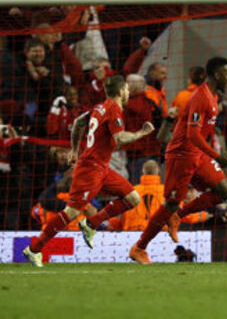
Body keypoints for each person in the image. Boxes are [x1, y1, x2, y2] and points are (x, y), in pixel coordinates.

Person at [23, 75, 154, 267]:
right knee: (71, 212)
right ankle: (34, 249)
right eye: (126, 89)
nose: (128, 93)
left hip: (101, 167)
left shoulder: (99, 107)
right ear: (120, 92)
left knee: (133, 197)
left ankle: (91, 223)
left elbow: (78, 122)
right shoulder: (114, 109)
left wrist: (75, 149)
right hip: (90, 168)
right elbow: (119, 138)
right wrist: (141, 133)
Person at [129, 57, 227, 264]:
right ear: (217, 75)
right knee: (169, 204)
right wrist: (216, 155)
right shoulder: (200, 97)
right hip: (181, 154)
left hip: (197, 153)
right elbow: (192, 135)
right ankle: (139, 247)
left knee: (224, 191)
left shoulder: (213, 96)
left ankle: (180, 214)